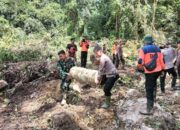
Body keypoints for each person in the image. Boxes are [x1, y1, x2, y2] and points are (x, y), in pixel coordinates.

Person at [137, 35, 165, 115]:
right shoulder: (158, 49)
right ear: (152, 41)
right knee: (154, 85)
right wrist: (163, 69)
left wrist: (139, 67)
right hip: (158, 71)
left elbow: (140, 61)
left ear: (145, 41)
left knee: (149, 88)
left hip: (150, 72)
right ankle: (153, 102)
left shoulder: (143, 49)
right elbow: (162, 60)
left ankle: (149, 109)